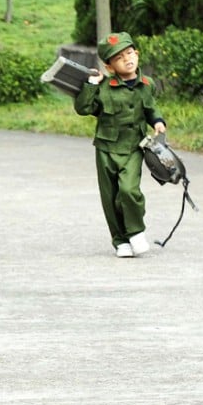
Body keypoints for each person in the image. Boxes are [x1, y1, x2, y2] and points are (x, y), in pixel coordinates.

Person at [74, 31, 167, 258]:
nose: (127, 59)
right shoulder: (103, 87)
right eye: (119, 58)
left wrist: (157, 122)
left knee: (129, 190)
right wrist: (90, 85)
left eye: (129, 53)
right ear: (110, 67)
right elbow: (84, 109)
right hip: (106, 148)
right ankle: (120, 241)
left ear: (137, 53)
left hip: (134, 147)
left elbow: (150, 108)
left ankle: (135, 231)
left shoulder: (147, 85)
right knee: (110, 195)